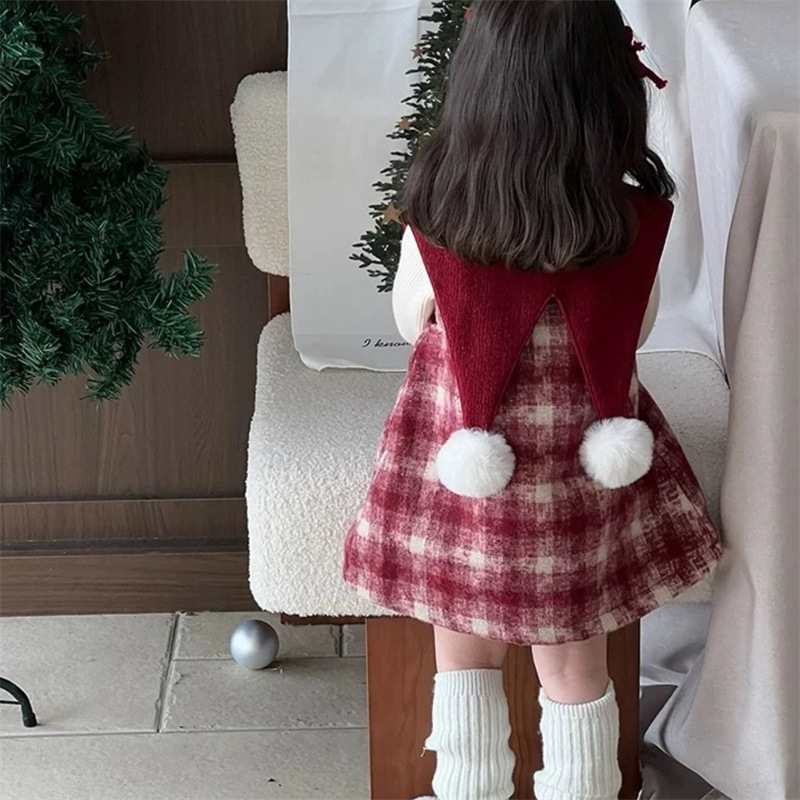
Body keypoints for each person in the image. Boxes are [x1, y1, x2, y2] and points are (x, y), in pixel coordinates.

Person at [343, 2, 722, 798]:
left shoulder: (436, 218)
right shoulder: (630, 223)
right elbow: (637, 330)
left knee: (461, 661)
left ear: (476, 86)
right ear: (609, 94)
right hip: (577, 498)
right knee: (576, 673)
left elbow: (410, 321)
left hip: (464, 494)